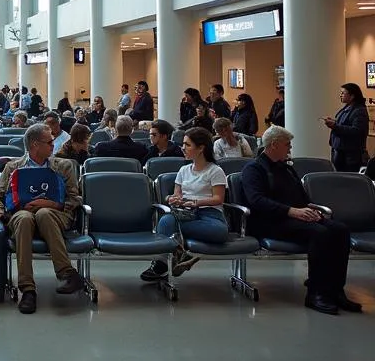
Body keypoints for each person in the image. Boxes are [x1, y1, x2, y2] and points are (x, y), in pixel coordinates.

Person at [241, 125, 359, 314]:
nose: (290, 148)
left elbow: (301, 196)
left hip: (295, 216)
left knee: (340, 230)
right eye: (287, 145)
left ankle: (336, 290)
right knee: (320, 233)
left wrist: (311, 208)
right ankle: (316, 293)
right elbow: (257, 201)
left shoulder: (286, 168)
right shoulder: (253, 169)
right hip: (270, 221)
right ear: (274, 145)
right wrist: (292, 211)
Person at [0, 122, 84, 314]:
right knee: (24, 218)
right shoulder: (12, 167)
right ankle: (28, 289)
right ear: (34, 145)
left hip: (55, 214)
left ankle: (66, 273)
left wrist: (52, 204)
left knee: (44, 213)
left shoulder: (63, 166)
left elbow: (74, 198)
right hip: (21, 215)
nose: (53, 145)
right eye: (49, 142)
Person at [141, 126, 229, 282]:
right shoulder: (183, 170)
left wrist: (195, 202)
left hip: (209, 214)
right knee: (166, 221)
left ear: (201, 148)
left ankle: (176, 251)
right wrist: (171, 199)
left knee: (220, 232)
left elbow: (218, 199)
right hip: (186, 214)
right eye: (183, 144)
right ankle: (164, 263)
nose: (183, 148)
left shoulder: (215, 171)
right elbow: (177, 195)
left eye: (187, 145)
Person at [323, 82, 369, 172]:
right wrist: (334, 122)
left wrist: (335, 126)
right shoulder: (347, 108)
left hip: (350, 156)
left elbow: (357, 131)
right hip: (340, 152)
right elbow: (344, 124)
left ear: (352, 96)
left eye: (343, 93)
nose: (340, 95)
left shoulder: (359, 111)